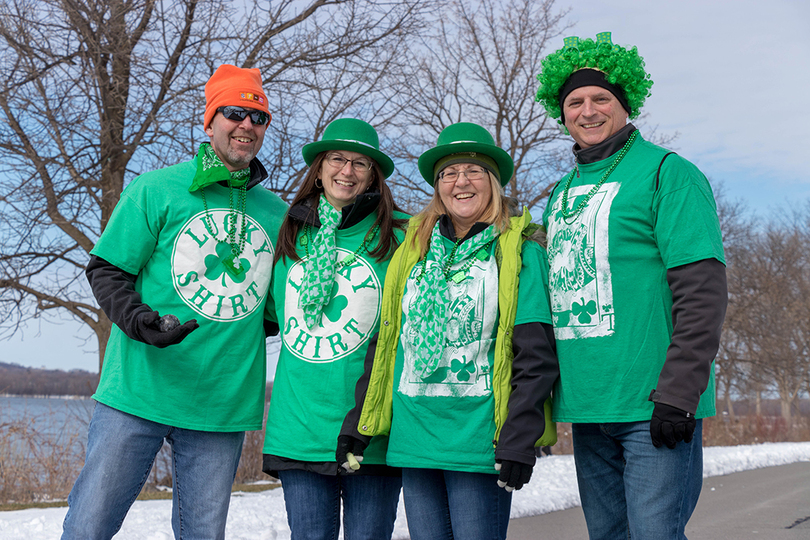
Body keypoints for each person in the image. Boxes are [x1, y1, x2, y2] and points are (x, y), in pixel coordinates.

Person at [61, 64, 288, 540]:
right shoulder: (156, 189)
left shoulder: (277, 215)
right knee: (89, 527)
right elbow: (107, 269)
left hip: (220, 404)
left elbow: (273, 309)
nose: (247, 125)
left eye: (258, 117)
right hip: (140, 391)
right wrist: (142, 322)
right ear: (209, 122)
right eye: (233, 113)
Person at [535, 33, 728, 539]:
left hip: (653, 404)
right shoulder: (559, 193)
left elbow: (702, 290)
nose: (588, 110)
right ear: (562, 114)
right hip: (587, 405)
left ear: (625, 104)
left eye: (602, 98)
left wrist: (680, 391)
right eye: (574, 101)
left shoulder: (669, 174)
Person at [338, 122, 559, 540]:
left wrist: (518, 437)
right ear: (438, 186)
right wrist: (358, 423)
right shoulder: (413, 252)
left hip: (479, 443)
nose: (461, 182)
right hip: (415, 438)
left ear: (492, 182)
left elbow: (536, 355)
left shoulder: (518, 252)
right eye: (449, 173)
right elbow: (386, 346)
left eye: (473, 171)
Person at [261, 118, 407, 540]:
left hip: (370, 429)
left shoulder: (402, 234)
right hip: (299, 427)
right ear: (320, 169)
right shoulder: (289, 232)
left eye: (360, 163)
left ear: (373, 174)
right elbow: (263, 314)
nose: (347, 171)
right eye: (337, 159)